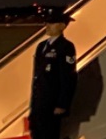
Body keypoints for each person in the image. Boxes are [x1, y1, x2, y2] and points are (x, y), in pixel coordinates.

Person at [30, 10, 77, 139]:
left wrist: (62, 104)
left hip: (52, 103)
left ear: (62, 26)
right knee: (37, 133)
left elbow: (68, 77)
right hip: (39, 102)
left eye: (52, 23)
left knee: (49, 134)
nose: (47, 26)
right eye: (47, 23)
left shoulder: (66, 47)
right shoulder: (41, 46)